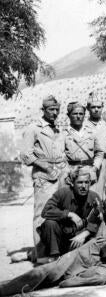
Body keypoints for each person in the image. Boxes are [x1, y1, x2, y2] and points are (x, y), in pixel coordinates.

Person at [0, 197, 106, 296]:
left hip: (105, 263)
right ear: (104, 211)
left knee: (103, 277)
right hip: (87, 253)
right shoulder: (102, 219)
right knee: (49, 270)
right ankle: (6, 288)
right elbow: (90, 227)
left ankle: (69, 281)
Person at [19, 95, 68, 263]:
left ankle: (55, 251)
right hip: (44, 177)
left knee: (58, 214)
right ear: (43, 110)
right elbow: (25, 155)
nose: (54, 113)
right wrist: (46, 166)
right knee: (41, 215)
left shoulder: (58, 129)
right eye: (51, 110)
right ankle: (41, 254)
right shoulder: (34, 128)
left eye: (57, 110)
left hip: (61, 175)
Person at [39, 167, 102, 261]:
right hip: (61, 238)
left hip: (80, 238)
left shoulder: (94, 197)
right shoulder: (63, 193)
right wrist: (69, 214)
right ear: (72, 183)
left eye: (87, 182)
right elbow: (46, 211)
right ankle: (54, 257)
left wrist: (84, 235)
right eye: (80, 182)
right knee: (49, 223)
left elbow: (98, 220)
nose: (84, 186)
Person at [63, 102, 105, 194]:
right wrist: (68, 172)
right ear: (69, 115)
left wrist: (95, 168)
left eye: (81, 114)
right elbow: (61, 156)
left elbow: (99, 152)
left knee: (91, 202)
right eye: (75, 114)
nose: (78, 116)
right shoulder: (63, 133)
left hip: (89, 172)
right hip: (72, 172)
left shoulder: (92, 132)